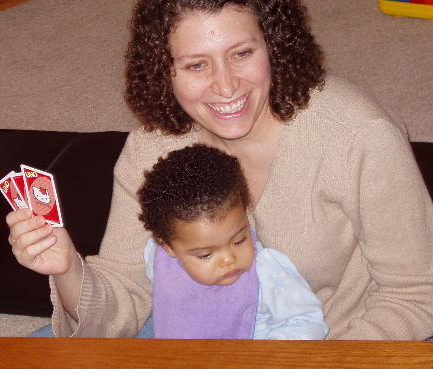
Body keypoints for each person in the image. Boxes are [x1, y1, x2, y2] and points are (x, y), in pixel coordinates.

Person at [6, 0, 433, 340]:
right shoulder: (152, 151)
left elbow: (416, 291)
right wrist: (66, 268)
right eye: (196, 64)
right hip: (203, 329)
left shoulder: (359, 135)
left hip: (336, 338)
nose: (225, 86)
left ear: (274, 46)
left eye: (242, 53)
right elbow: (126, 296)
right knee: (32, 356)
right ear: (165, 72)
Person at [137, 143, 328, 339]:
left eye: (238, 240)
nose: (229, 259)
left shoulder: (265, 272)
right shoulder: (159, 260)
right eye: (206, 255)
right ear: (167, 246)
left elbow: (307, 321)